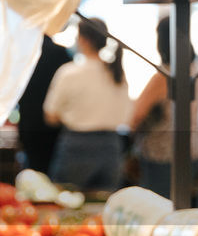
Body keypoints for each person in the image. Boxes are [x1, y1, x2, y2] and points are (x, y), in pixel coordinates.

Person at [43, 16, 132, 192]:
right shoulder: (117, 74)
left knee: (67, 203)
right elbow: (126, 115)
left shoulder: (70, 73)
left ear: (84, 39)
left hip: (77, 144)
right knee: (105, 207)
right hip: (111, 145)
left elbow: (50, 116)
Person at [129, 15, 198, 200]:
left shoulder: (164, 76)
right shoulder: (195, 71)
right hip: (195, 149)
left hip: (163, 152)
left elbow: (136, 115)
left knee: (158, 209)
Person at [16, 33, 72, 174]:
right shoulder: (61, 53)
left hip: (30, 125)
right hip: (54, 127)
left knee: (34, 173)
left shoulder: (25, 54)